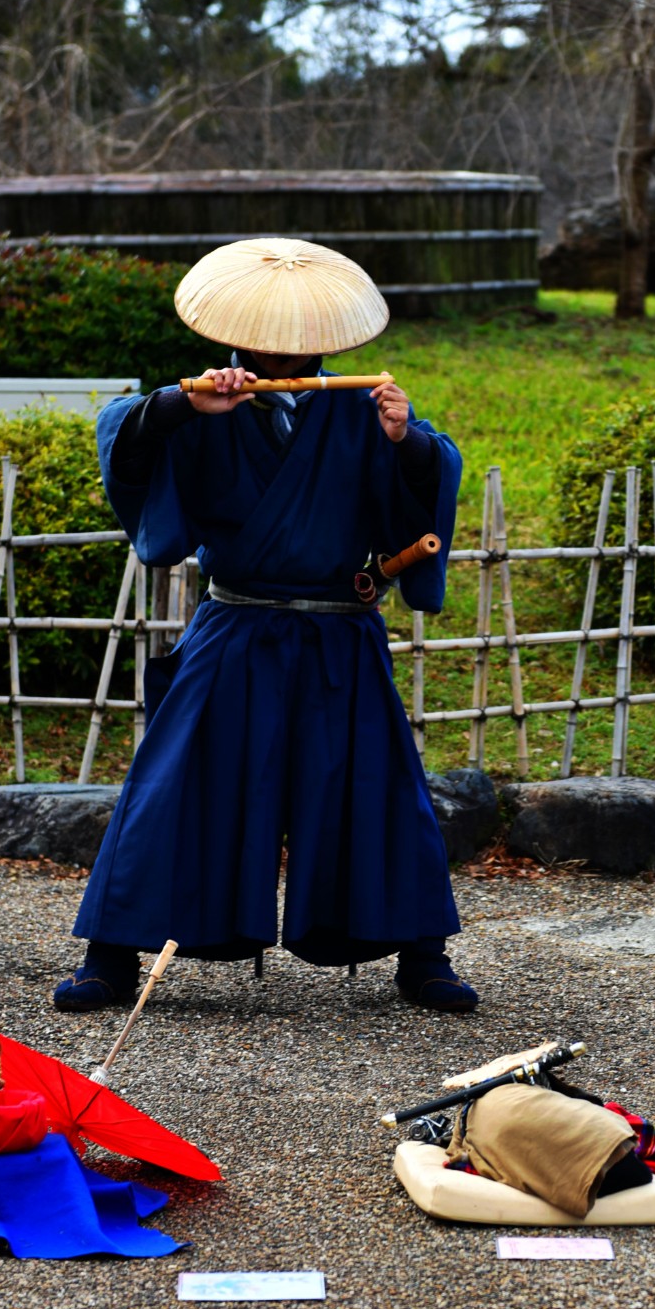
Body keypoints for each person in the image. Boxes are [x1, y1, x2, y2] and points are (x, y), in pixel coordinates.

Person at [52, 235, 477, 1014]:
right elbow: (122, 434)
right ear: (232, 335)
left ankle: (423, 956)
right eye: (265, 338)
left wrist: (407, 440)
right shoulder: (199, 402)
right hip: (235, 623)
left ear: (324, 341)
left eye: (299, 341)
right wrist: (182, 403)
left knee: (378, 786)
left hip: (337, 630)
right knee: (173, 782)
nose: (283, 348)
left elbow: (425, 489)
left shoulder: (363, 408)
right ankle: (108, 955)